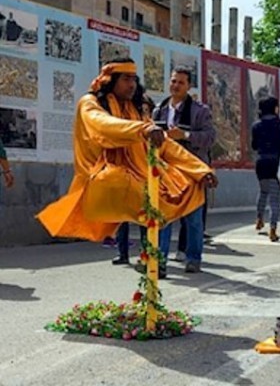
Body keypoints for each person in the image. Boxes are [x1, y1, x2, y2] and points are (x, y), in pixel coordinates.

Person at [37, 59, 217, 262]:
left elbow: (165, 144)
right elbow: (103, 126)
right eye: (125, 79)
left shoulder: (135, 108)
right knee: (137, 192)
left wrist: (200, 169)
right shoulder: (90, 103)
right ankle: (146, 257)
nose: (131, 84)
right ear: (110, 80)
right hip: (103, 174)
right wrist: (143, 130)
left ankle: (162, 260)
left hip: (142, 171)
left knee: (189, 187)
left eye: (134, 79)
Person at [152, 67, 216, 274]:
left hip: (191, 172)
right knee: (163, 217)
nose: (175, 85)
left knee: (194, 219)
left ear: (189, 86)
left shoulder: (200, 111)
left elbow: (209, 138)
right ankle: (159, 261)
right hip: (166, 172)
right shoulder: (159, 110)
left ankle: (193, 258)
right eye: (173, 81)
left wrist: (185, 135)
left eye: (180, 82)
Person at [112, 89, 155, 265]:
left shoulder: (152, 128)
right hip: (125, 174)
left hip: (144, 175)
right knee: (122, 216)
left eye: (146, 109)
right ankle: (123, 253)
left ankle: (146, 255)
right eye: (141, 108)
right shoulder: (129, 125)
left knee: (144, 218)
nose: (143, 112)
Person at [251, 95, 280, 242]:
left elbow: (254, 146)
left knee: (263, 192)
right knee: (275, 198)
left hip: (261, 162)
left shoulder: (256, 125)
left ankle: (259, 219)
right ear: (275, 108)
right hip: (276, 163)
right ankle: (272, 229)